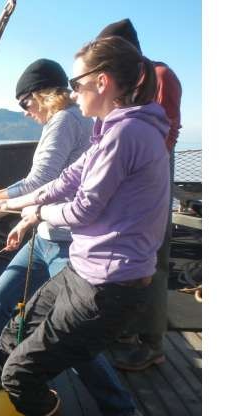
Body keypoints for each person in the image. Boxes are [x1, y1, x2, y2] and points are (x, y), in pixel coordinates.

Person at [0, 36, 170, 416]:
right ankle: (30, 409)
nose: (73, 91)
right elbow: (68, 178)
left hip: (108, 287)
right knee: (14, 334)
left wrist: (36, 213)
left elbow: (83, 208)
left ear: (102, 82)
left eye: (77, 81)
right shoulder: (111, 128)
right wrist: (20, 205)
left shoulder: (126, 132)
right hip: (83, 272)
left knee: (20, 371)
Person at [0, 59, 142, 416]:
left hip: (68, 246)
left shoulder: (65, 120)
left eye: (25, 104)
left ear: (41, 95)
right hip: (45, 235)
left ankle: (121, 409)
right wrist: (24, 219)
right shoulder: (81, 121)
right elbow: (59, 184)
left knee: (72, 337)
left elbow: (40, 181)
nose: (26, 113)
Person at [96, 18, 183, 371]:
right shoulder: (123, 83)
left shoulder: (160, 76)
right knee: (125, 253)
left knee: (153, 258)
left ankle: (152, 343)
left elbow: (167, 133)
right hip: (125, 181)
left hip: (149, 181)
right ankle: (124, 332)